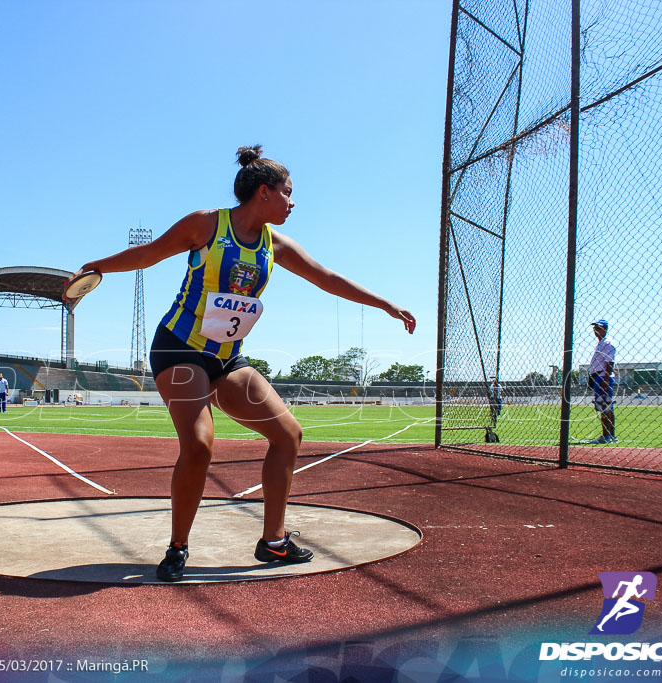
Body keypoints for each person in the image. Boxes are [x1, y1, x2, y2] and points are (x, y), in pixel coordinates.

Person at [75, 145, 415, 581]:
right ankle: (178, 548)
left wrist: (385, 304)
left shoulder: (276, 244)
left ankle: (273, 542)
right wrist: (94, 267)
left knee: (288, 434)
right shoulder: (206, 224)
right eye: (288, 193)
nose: (293, 203)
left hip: (226, 358)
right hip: (179, 348)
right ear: (263, 193)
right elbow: (149, 254)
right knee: (199, 445)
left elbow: (326, 277)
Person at [587, 319, 617, 444]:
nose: (596, 331)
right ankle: (609, 435)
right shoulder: (601, 343)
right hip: (599, 376)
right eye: (595, 328)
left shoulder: (607, 343)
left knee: (606, 407)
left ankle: (607, 435)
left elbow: (609, 362)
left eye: (599, 328)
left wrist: (605, 379)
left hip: (603, 376)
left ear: (605, 329)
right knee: (605, 406)